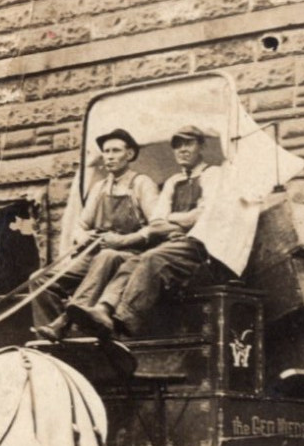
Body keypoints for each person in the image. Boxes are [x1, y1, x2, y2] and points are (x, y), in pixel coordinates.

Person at [66, 125, 227, 338]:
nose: (183, 150)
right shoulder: (173, 181)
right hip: (174, 243)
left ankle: (124, 319)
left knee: (151, 257)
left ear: (202, 146)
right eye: (178, 145)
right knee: (132, 262)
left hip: (200, 245)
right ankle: (103, 309)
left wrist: (173, 219)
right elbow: (157, 222)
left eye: (189, 143)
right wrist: (180, 222)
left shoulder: (213, 174)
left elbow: (205, 214)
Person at [30, 129, 158, 341]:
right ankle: (54, 336)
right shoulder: (99, 188)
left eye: (116, 151)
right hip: (97, 254)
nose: (109, 156)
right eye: (106, 151)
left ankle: (63, 322)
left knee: (106, 256)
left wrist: (123, 240)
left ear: (130, 154)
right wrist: (83, 237)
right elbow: (80, 225)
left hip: (130, 256)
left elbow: (156, 227)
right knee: (40, 279)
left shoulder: (142, 184)